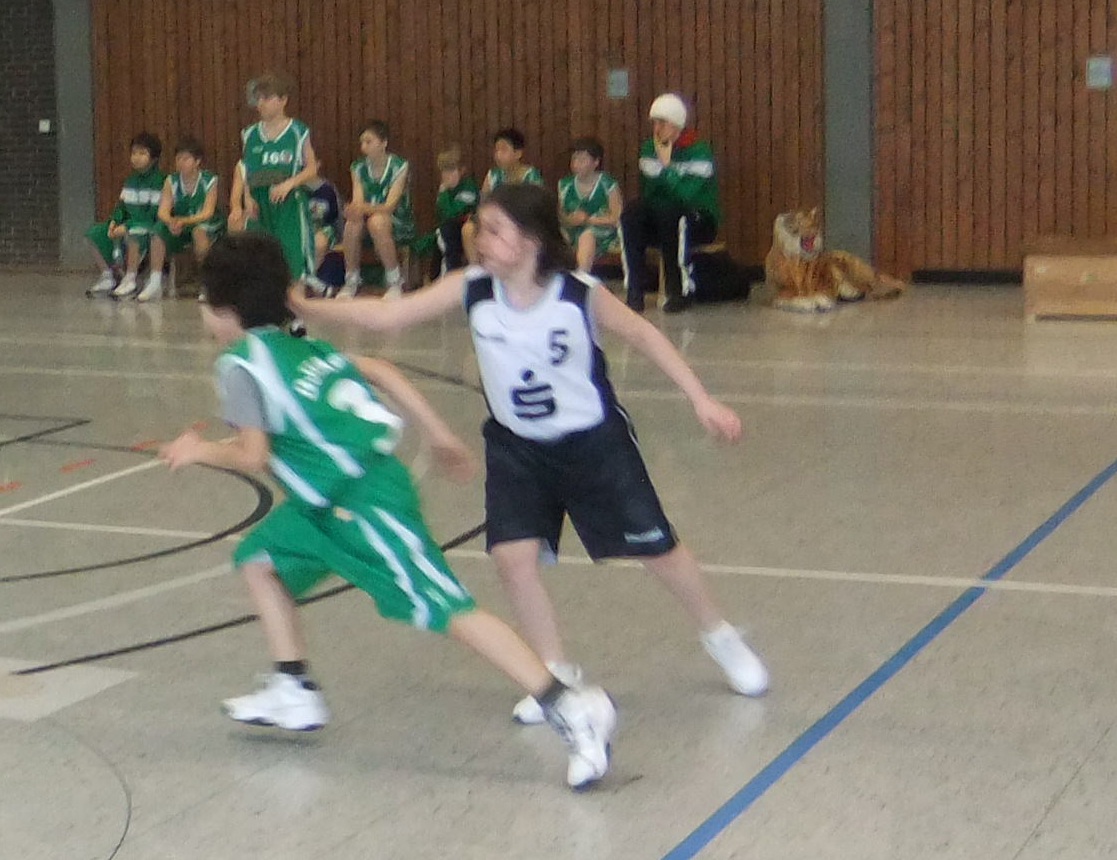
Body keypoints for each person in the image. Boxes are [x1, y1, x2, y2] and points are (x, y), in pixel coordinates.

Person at [159, 231, 616, 788]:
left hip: (364, 504)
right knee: (260, 558)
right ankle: (293, 687)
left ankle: (569, 704)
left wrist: (198, 450)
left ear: (222, 306)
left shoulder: (238, 365)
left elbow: (252, 454)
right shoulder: (301, 347)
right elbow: (379, 370)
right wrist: (438, 432)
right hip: (325, 505)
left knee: (448, 608)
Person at [298, 179, 770, 715]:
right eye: (480, 228)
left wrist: (701, 399)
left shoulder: (577, 293)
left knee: (657, 550)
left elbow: (644, 335)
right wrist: (310, 308)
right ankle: (554, 673)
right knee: (512, 557)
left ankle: (720, 635)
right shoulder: (472, 287)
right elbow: (389, 316)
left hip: (593, 444)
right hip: (516, 449)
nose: (480, 239)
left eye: (494, 230)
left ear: (530, 241)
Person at [635, 92, 724, 311]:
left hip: (698, 219)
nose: (656, 129)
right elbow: (649, 193)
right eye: (654, 123)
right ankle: (634, 291)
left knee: (673, 214)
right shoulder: (649, 149)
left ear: (676, 125)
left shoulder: (699, 151)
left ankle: (679, 292)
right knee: (632, 213)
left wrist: (667, 167)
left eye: (662, 123)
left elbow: (687, 197)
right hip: (663, 218)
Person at [232, 76, 325, 282]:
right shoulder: (249, 134)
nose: (261, 103)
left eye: (267, 98)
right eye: (258, 98)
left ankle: (297, 299)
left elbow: (311, 168)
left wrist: (288, 184)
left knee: (292, 260)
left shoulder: (297, 131)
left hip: (288, 201)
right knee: (259, 260)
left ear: (283, 100)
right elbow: (246, 169)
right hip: (259, 201)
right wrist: (247, 197)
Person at [91, 134, 168, 300]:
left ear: (154, 158)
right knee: (94, 232)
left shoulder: (160, 181)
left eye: (142, 153)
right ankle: (108, 275)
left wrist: (127, 226)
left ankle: (130, 278)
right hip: (128, 223)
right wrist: (114, 221)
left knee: (135, 232)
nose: (136, 157)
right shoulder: (130, 180)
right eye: (133, 153)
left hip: (148, 225)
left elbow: (153, 214)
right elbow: (121, 207)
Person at [340, 123, 410, 295]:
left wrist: (361, 208)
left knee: (377, 222)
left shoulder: (399, 166)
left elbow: (389, 206)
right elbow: (358, 202)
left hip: (396, 221)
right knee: (352, 223)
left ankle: (394, 280)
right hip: (368, 218)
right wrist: (352, 210)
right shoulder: (357, 167)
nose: (363, 147)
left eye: (369, 142)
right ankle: (351, 279)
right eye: (362, 142)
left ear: (383, 143)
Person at [560, 137, 625, 283]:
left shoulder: (607, 183)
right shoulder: (565, 185)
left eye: (582, 159)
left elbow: (617, 217)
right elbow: (561, 216)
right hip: (573, 229)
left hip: (603, 230)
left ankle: (580, 281)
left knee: (587, 236)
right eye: (574, 159)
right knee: (554, 235)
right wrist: (571, 219)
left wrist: (588, 219)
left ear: (596, 162)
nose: (577, 163)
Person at [160, 137, 224, 283]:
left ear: (197, 161)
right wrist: (171, 222)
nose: (181, 163)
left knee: (199, 232)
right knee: (157, 232)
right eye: (178, 159)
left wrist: (183, 221)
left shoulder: (209, 180)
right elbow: (162, 211)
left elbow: (207, 212)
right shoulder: (171, 180)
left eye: (186, 159)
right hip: (180, 223)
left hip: (207, 223)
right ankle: (155, 279)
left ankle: (206, 281)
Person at [426, 146, 482, 274]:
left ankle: (450, 274)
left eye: (451, 171)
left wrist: (443, 193)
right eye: (444, 171)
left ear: (461, 171)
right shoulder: (446, 190)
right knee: (439, 237)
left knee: (446, 233)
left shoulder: (468, 188)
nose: (447, 176)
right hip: (449, 231)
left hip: (465, 229)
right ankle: (436, 276)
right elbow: (440, 215)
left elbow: (453, 213)